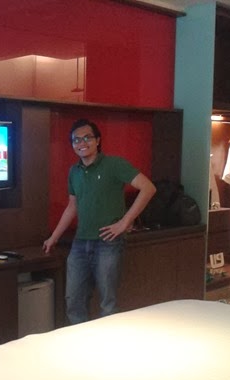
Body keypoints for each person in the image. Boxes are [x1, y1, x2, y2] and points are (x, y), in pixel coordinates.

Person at [43, 118, 156, 324]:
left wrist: (124, 222)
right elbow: (72, 206)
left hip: (108, 243)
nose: (82, 143)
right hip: (80, 243)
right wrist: (54, 237)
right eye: (76, 140)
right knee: (74, 301)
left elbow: (148, 188)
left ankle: (106, 343)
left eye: (87, 138)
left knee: (107, 305)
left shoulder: (115, 165)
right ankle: (81, 341)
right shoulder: (74, 171)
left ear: (97, 140)